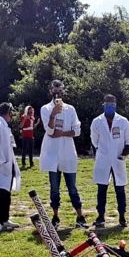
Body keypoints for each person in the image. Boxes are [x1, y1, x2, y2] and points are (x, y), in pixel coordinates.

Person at [39, 79, 86, 228]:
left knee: (72, 187)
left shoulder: (70, 109)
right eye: (55, 90)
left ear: (63, 91)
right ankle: (56, 217)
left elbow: (77, 131)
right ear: (50, 91)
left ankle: (80, 217)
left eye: (60, 90)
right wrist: (53, 115)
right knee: (54, 188)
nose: (57, 92)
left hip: (67, 154)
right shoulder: (45, 109)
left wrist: (63, 133)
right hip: (53, 155)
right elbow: (50, 131)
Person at [90, 94, 129, 228]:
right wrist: (101, 151)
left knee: (120, 189)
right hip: (103, 159)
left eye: (112, 105)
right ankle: (101, 216)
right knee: (101, 189)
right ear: (103, 105)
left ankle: (122, 217)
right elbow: (94, 140)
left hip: (118, 159)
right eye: (108, 105)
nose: (110, 107)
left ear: (116, 105)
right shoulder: (97, 121)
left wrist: (124, 153)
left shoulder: (123, 121)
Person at [0, 102, 21, 232]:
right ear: (8, 112)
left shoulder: (5, 125)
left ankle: (5, 219)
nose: (12, 115)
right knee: (1, 193)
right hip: (1, 165)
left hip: (9, 164)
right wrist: (1, 161)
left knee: (6, 193)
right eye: (12, 112)